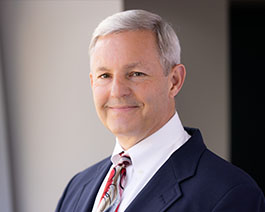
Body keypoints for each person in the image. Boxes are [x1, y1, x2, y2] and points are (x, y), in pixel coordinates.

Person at [56, 10, 265, 212]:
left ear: (174, 81)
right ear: (92, 82)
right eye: (105, 76)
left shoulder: (229, 193)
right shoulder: (77, 188)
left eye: (136, 74)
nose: (117, 91)